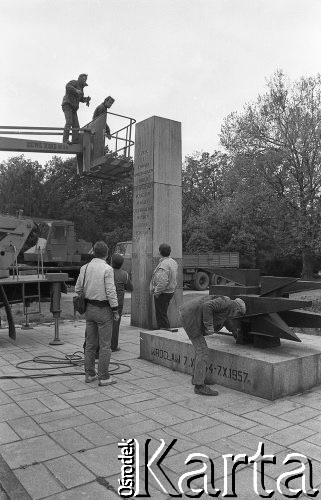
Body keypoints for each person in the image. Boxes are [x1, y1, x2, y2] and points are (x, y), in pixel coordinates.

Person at [179, 295, 246, 396]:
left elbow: (226, 321)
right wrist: (209, 326)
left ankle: (197, 378)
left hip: (190, 316)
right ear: (236, 308)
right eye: (238, 313)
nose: (237, 316)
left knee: (200, 351)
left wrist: (234, 332)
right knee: (202, 351)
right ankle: (199, 386)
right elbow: (207, 306)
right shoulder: (226, 302)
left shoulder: (228, 309)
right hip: (191, 318)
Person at [75, 241, 119, 386]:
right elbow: (111, 291)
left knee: (90, 344)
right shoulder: (107, 269)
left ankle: (89, 374)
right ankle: (104, 377)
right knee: (105, 345)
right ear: (107, 254)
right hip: (104, 310)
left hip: (89, 309)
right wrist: (115, 309)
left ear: (93, 252)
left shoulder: (84, 268)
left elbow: (78, 289)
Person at [150, 243, 178, 330]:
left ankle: (164, 334)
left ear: (160, 252)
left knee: (161, 316)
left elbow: (162, 282)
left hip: (163, 293)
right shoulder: (173, 262)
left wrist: (156, 293)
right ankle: (165, 332)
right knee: (163, 313)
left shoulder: (164, 264)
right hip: (170, 291)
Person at [111, 253, 133, 351]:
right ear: (122, 264)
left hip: (107, 301)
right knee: (116, 324)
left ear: (111, 262)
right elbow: (130, 288)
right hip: (118, 303)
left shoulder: (107, 272)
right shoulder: (124, 274)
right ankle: (113, 345)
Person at [62, 73, 91, 144]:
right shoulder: (74, 82)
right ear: (80, 78)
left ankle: (74, 140)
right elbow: (67, 86)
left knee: (76, 125)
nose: (84, 81)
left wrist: (86, 99)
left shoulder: (82, 90)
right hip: (67, 105)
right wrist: (75, 90)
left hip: (74, 108)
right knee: (69, 122)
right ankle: (65, 140)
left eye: (85, 80)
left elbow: (80, 99)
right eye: (83, 79)